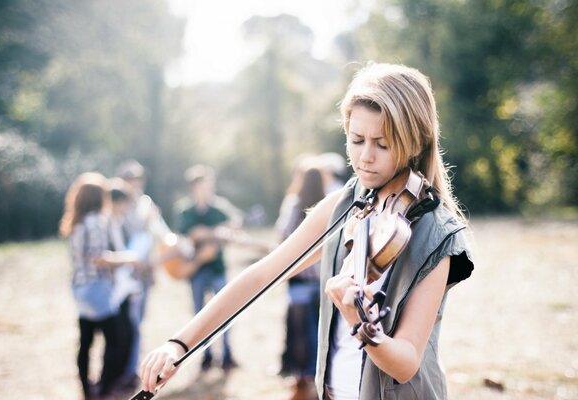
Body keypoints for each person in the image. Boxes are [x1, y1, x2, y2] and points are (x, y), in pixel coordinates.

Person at [140, 63, 474, 400]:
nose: (365, 157)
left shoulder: (435, 233)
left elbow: (406, 363)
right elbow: (262, 275)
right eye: (356, 140)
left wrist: (360, 323)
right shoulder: (342, 205)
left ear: (416, 142)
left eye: (382, 145)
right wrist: (179, 343)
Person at [59, 172, 141, 400]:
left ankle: (87, 389)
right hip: (97, 289)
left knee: (85, 341)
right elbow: (98, 257)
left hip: (79, 288)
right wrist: (128, 258)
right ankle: (104, 389)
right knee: (117, 339)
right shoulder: (95, 221)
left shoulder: (75, 220)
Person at [172, 164, 243, 372]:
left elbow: (234, 224)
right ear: (194, 187)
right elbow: (191, 233)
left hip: (217, 268)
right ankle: (206, 356)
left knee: (226, 312)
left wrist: (220, 231)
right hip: (196, 270)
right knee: (199, 316)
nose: (208, 189)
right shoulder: (185, 210)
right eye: (204, 185)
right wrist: (214, 232)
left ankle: (227, 355)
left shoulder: (220, 207)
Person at [115, 160, 174, 390]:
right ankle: (123, 369)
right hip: (122, 273)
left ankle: (131, 370)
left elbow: (159, 234)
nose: (136, 184)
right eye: (131, 179)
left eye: (138, 179)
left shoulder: (145, 202)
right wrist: (145, 220)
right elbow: (127, 231)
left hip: (143, 273)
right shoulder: (119, 203)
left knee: (137, 324)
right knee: (124, 326)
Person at [276, 166, 325, 399]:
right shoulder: (327, 205)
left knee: (298, 334)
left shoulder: (294, 205)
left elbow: (283, 234)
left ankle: (301, 379)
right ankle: (318, 378)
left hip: (299, 282)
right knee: (319, 333)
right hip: (322, 282)